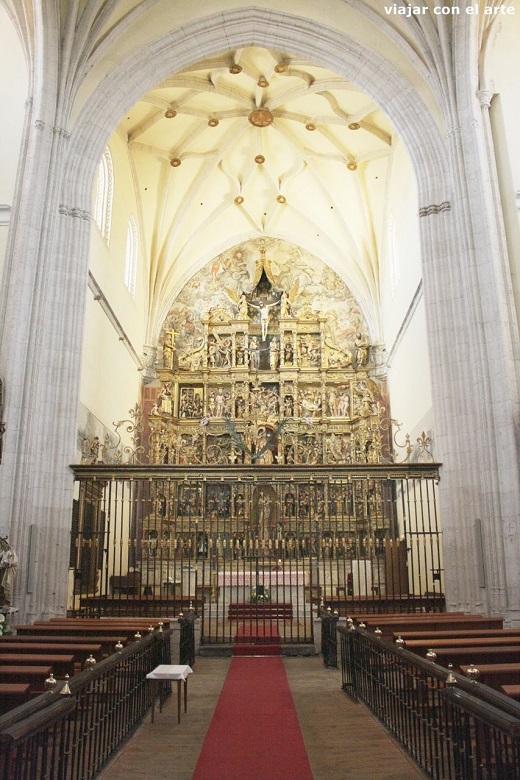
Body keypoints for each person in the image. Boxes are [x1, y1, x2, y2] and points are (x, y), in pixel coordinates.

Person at [0, 538, 18, 606]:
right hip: (2, 570)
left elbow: (14, 562)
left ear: (7, 544)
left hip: (7, 570)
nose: (2, 544)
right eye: (1, 543)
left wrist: (7, 563)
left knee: (6, 584)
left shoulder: (10, 552)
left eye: (3, 543)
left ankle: (6, 600)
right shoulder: (3, 551)